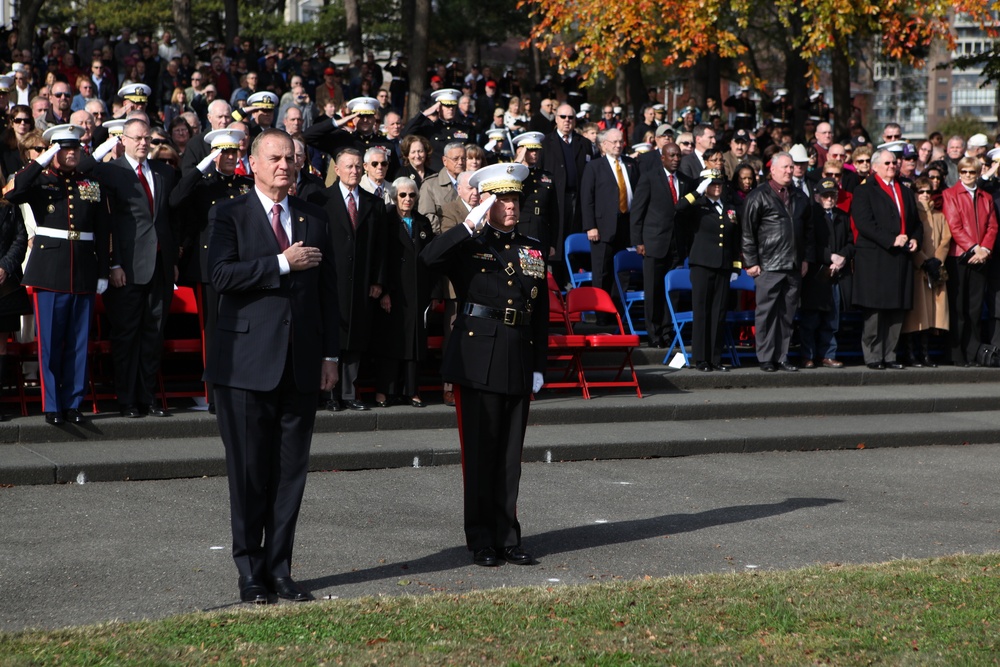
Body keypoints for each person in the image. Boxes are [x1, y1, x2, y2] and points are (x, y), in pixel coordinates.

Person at [206, 129, 340, 605]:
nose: (285, 165)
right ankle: (250, 571)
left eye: (291, 158)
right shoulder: (228, 214)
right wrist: (280, 263)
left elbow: (328, 293)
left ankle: (281, 568)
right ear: (253, 164)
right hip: (244, 365)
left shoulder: (314, 217)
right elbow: (220, 276)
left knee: (289, 474)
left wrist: (330, 355)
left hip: (301, 365)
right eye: (275, 158)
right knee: (248, 472)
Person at [419, 162, 548, 568]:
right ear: (487, 202)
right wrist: (466, 226)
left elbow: (540, 312)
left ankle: (508, 537)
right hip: (477, 358)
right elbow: (427, 258)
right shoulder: (469, 245)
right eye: (502, 199)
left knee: (510, 458)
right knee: (479, 454)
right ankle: (481, 540)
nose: (511, 206)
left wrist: (540, 363)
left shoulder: (532, 247)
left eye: (515, 198)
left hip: (517, 354)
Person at [4, 124, 106, 424]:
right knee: (51, 341)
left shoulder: (89, 182)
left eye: (75, 147)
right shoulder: (40, 180)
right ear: (53, 151)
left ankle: (74, 402)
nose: (71, 152)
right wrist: (42, 160)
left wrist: (102, 270)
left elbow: (102, 228)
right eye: (64, 148)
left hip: (84, 268)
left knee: (78, 341)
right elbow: (14, 192)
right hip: (49, 270)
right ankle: (52, 405)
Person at [95, 118, 178, 416]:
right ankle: (127, 398)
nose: (144, 143)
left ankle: (148, 397)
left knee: (153, 334)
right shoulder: (110, 172)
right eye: (138, 138)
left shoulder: (163, 172)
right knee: (126, 334)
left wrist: (173, 260)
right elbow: (107, 223)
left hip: (160, 266)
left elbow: (167, 220)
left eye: (148, 138)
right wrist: (113, 263)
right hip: (126, 268)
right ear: (124, 140)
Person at [307, 148, 386, 412]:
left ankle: (349, 392)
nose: (354, 171)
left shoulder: (373, 203)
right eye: (348, 167)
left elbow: (380, 247)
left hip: (362, 282)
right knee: (332, 332)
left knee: (356, 336)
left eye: (357, 167)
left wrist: (378, 280)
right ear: (337, 170)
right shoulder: (320, 199)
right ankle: (328, 393)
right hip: (331, 278)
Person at [850, 148, 922, 370]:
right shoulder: (864, 191)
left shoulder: (905, 191)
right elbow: (864, 224)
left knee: (896, 308)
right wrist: (892, 240)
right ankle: (872, 355)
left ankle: (889, 354)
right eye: (888, 163)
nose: (892, 166)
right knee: (875, 310)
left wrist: (915, 240)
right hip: (876, 258)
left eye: (894, 163)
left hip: (900, 259)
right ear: (875, 167)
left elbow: (916, 223)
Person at [741, 152, 813, 372]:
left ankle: (782, 356)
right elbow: (747, 232)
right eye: (785, 167)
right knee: (766, 313)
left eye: (791, 167)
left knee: (787, 314)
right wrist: (751, 262)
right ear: (772, 169)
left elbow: (808, 231)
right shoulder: (758, 195)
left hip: (793, 265)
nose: (789, 171)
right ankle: (765, 358)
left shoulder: (800, 197)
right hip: (769, 265)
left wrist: (805, 259)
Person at [372, 177, 435, 408]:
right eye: (403, 195)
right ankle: (384, 391)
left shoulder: (422, 222)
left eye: (412, 195)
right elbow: (381, 257)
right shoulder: (385, 220)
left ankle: (412, 390)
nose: (407, 199)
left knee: (414, 343)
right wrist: (385, 291)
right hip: (393, 291)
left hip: (417, 292)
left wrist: (432, 291)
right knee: (390, 342)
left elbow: (430, 258)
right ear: (394, 196)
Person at [676, 168, 741, 370]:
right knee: (702, 311)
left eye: (719, 184)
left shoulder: (729, 208)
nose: (717, 187)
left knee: (718, 312)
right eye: (712, 184)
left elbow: (735, 239)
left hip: (723, 265)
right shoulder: (698, 206)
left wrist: (736, 267)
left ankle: (715, 358)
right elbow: (679, 207)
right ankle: (701, 358)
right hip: (702, 265)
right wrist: (697, 192)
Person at [630, 141, 689, 347]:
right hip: (654, 243)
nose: (675, 159)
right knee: (654, 290)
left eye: (678, 156)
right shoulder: (649, 178)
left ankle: (667, 331)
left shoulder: (683, 180)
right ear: (662, 157)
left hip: (677, 244)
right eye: (671, 156)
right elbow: (637, 211)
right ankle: (653, 333)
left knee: (671, 292)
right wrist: (638, 241)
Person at [942, 156, 998, 365]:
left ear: (977, 173)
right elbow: (954, 225)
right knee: (958, 308)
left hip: (981, 257)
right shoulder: (950, 194)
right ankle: (956, 355)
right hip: (959, 257)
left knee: (974, 309)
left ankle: (972, 353)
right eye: (964, 172)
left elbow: (993, 226)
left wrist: (985, 249)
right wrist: (974, 247)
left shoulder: (986, 196)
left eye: (972, 172)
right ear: (959, 173)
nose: (967, 176)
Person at [580, 128, 637, 316]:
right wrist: (590, 226)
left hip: (626, 225)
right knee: (602, 271)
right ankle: (602, 315)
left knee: (622, 272)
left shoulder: (630, 164)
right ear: (604, 145)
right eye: (614, 142)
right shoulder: (595, 166)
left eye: (621, 141)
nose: (618, 145)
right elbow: (587, 198)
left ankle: (618, 312)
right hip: (603, 227)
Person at [798, 179, 854, 369]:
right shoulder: (811, 216)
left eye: (832, 195)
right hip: (816, 273)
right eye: (825, 196)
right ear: (816, 197)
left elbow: (850, 242)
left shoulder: (842, 216)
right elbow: (808, 244)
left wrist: (842, 257)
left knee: (832, 318)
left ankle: (828, 354)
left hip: (836, 273)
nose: (830, 199)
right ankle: (808, 355)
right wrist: (829, 256)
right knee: (811, 318)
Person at [901, 177, 951, 367]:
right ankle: (910, 353)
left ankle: (925, 352)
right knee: (915, 316)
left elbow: (946, 239)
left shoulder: (939, 216)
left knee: (930, 315)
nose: (924, 195)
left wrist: (937, 260)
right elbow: (910, 240)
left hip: (934, 270)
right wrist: (922, 260)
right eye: (920, 191)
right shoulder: (911, 214)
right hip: (917, 270)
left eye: (927, 192)